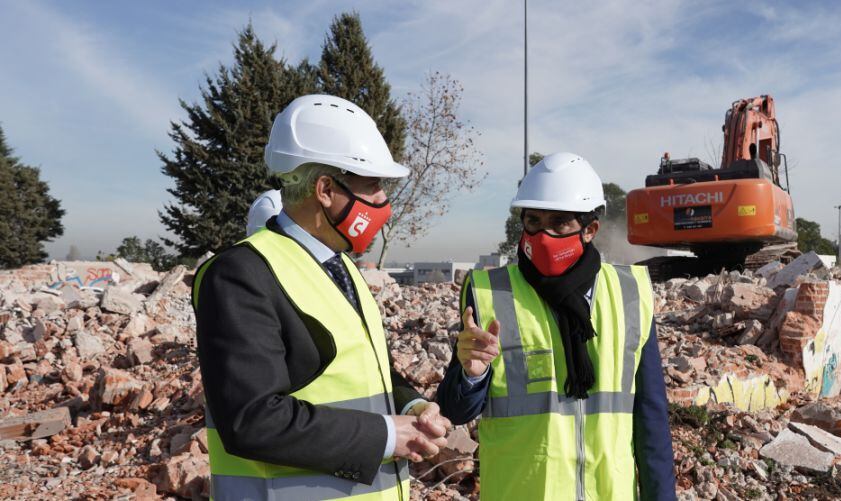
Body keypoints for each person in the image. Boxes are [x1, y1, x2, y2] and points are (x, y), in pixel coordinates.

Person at [194, 94, 451, 501]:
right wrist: (385, 436)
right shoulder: (241, 274)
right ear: (326, 189)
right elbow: (251, 419)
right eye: (374, 186)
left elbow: (360, 369)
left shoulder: (341, 266)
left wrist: (412, 406)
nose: (384, 203)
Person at [435, 152, 676, 500]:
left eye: (560, 222)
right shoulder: (490, 293)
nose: (543, 234)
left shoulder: (629, 293)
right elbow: (455, 410)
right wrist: (472, 375)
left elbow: (650, 417)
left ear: (590, 229)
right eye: (533, 221)